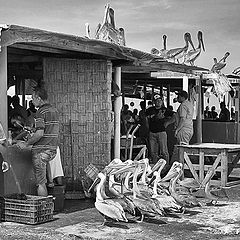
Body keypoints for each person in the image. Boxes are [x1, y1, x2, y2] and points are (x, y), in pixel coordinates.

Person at [16, 84, 60, 196]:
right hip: (52, 149)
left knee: (40, 183)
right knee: (44, 181)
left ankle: (43, 208)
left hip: (41, 151)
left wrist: (26, 143)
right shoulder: (54, 110)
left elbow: (40, 134)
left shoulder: (41, 112)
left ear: (38, 98)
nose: (32, 101)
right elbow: (47, 129)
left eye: (32, 98)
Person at [165, 90, 194, 164]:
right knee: (181, 149)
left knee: (182, 150)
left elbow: (183, 119)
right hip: (189, 128)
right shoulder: (190, 104)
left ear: (182, 97)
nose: (177, 98)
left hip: (183, 129)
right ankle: (177, 166)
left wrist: (177, 130)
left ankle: (183, 168)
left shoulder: (183, 105)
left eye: (178, 96)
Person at [146, 94, 169, 166]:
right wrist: (147, 127)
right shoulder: (149, 110)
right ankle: (155, 166)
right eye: (156, 101)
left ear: (162, 101)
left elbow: (174, 115)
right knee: (153, 152)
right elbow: (145, 118)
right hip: (152, 132)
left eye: (160, 101)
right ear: (154, 102)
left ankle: (166, 166)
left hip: (161, 132)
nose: (158, 102)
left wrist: (168, 122)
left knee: (164, 151)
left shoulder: (165, 110)